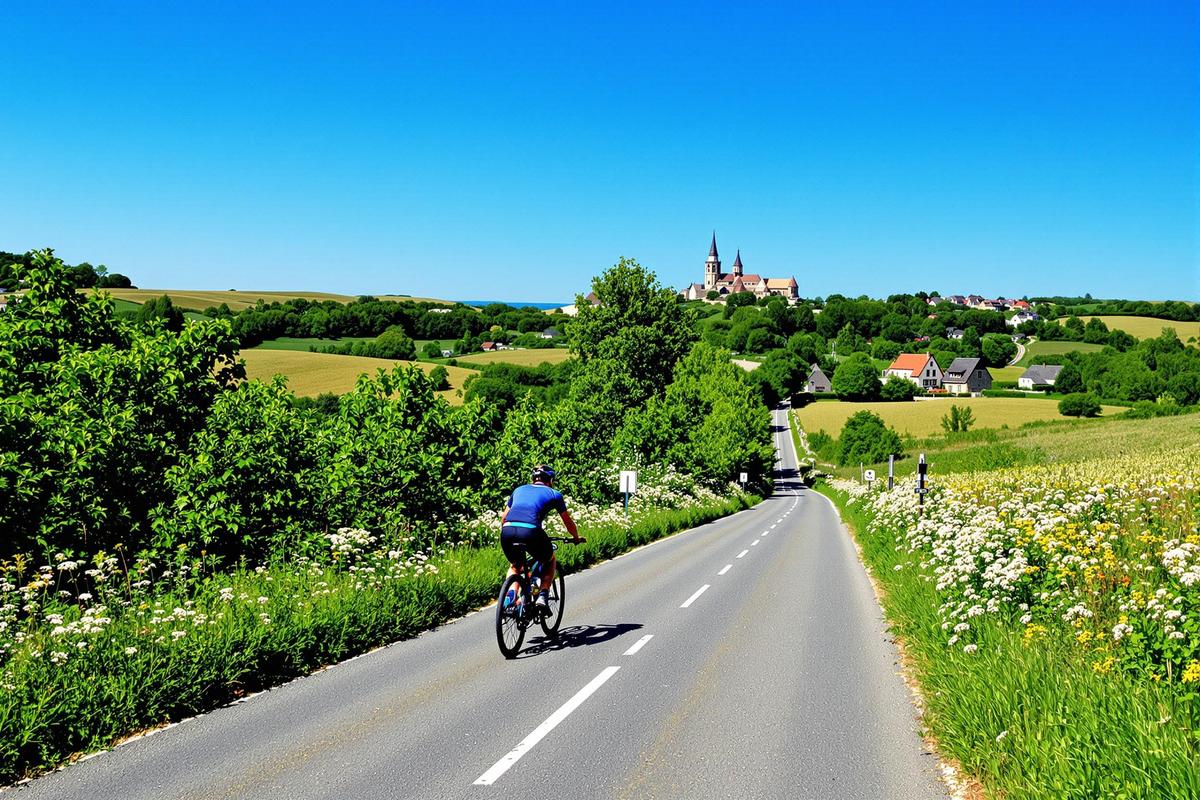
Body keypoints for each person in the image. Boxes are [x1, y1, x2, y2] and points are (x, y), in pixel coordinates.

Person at [500, 465, 581, 612]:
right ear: (550, 480)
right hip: (531, 531)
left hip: (507, 531)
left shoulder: (518, 489)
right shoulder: (554, 494)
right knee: (549, 559)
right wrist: (576, 537)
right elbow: (567, 522)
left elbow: (504, 517)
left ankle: (510, 597)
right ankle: (543, 594)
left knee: (515, 567)